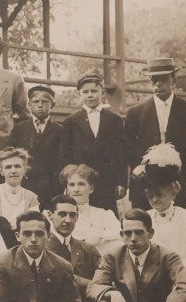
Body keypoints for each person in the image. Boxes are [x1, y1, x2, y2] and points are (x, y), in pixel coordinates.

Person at [124, 57, 186, 209]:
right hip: (145, 184)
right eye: (153, 80)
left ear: (174, 81)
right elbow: (128, 148)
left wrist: (178, 170)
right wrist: (146, 171)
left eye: (163, 79)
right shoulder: (135, 113)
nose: (157, 84)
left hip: (177, 183)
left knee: (176, 227)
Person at [58, 71, 127, 211]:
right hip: (81, 181)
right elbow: (64, 155)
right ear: (79, 94)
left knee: (107, 215)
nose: (90, 95)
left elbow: (121, 153)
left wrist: (121, 182)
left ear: (102, 92)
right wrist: (69, 181)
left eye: (94, 91)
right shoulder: (71, 121)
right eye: (85, 92)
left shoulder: (114, 119)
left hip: (107, 179)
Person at [136, 144, 186, 277]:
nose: (155, 200)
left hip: (181, 274)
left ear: (173, 192)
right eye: (150, 196)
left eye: (160, 195)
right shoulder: (144, 219)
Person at [10, 82, 63, 208]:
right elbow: (11, 155)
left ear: (52, 105)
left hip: (50, 185)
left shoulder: (60, 130)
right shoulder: (19, 129)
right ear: (29, 105)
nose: (40, 105)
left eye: (45, 102)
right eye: (36, 102)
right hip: (25, 183)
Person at [44, 194, 101, 289]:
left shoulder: (88, 249)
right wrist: (95, 286)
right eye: (62, 214)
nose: (68, 220)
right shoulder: (42, 248)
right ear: (50, 215)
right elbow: (64, 277)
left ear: (77, 217)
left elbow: (103, 274)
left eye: (72, 215)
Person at [58, 163, 121, 248]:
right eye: (72, 185)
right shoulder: (59, 216)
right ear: (67, 190)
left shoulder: (104, 215)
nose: (76, 189)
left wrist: (99, 236)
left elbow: (120, 235)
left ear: (91, 189)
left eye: (81, 184)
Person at [0, 147, 41, 226]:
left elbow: (34, 225)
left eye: (17, 166)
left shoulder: (32, 197)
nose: (13, 171)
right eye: (8, 167)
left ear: (24, 169)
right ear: (1, 171)